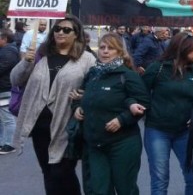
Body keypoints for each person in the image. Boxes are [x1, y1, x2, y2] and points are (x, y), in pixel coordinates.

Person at [10, 15, 96, 195]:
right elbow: (15, 79)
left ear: (76, 35)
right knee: (48, 172)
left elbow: (95, 87)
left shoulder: (86, 58)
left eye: (66, 30)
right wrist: (26, 61)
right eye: (57, 29)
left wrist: (84, 95)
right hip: (40, 126)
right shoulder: (41, 55)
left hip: (66, 125)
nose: (60, 32)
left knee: (62, 172)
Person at [72, 33, 149, 194]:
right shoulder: (93, 74)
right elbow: (81, 94)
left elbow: (144, 103)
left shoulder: (128, 75)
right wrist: (77, 107)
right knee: (99, 190)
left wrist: (122, 120)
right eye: (102, 47)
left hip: (122, 144)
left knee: (125, 189)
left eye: (111, 48)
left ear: (120, 52)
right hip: (95, 144)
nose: (105, 51)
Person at [142, 32, 193, 195]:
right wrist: (145, 110)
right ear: (184, 49)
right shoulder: (157, 68)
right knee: (160, 179)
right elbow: (140, 94)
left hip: (186, 133)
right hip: (157, 131)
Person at [0, 29, 20, 154]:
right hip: (4, 88)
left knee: (7, 118)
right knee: (2, 118)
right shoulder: (7, 51)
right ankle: (3, 142)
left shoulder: (8, 52)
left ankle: (9, 144)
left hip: (5, 88)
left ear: (5, 39)